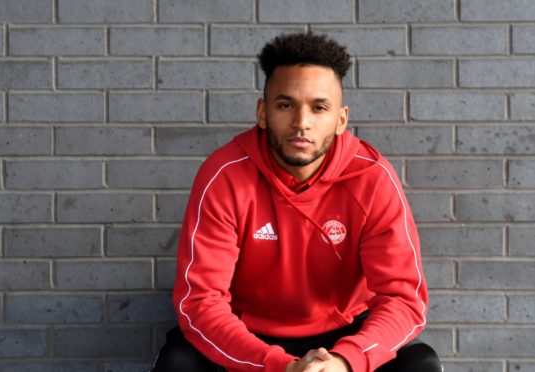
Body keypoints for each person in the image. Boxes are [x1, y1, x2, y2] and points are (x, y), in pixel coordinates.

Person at [152, 32, 443, 372]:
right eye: (285, 105)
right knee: (177, 364)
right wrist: (279, 365)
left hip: (344, 337)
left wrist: (346, 360)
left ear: (341, 120)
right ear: (263, 113)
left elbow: (403, 300)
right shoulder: (225, 176)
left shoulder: (373, 179)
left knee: (421, 365)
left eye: (319, 108)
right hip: (248, 336)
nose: (301, 122)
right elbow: (199, 302)